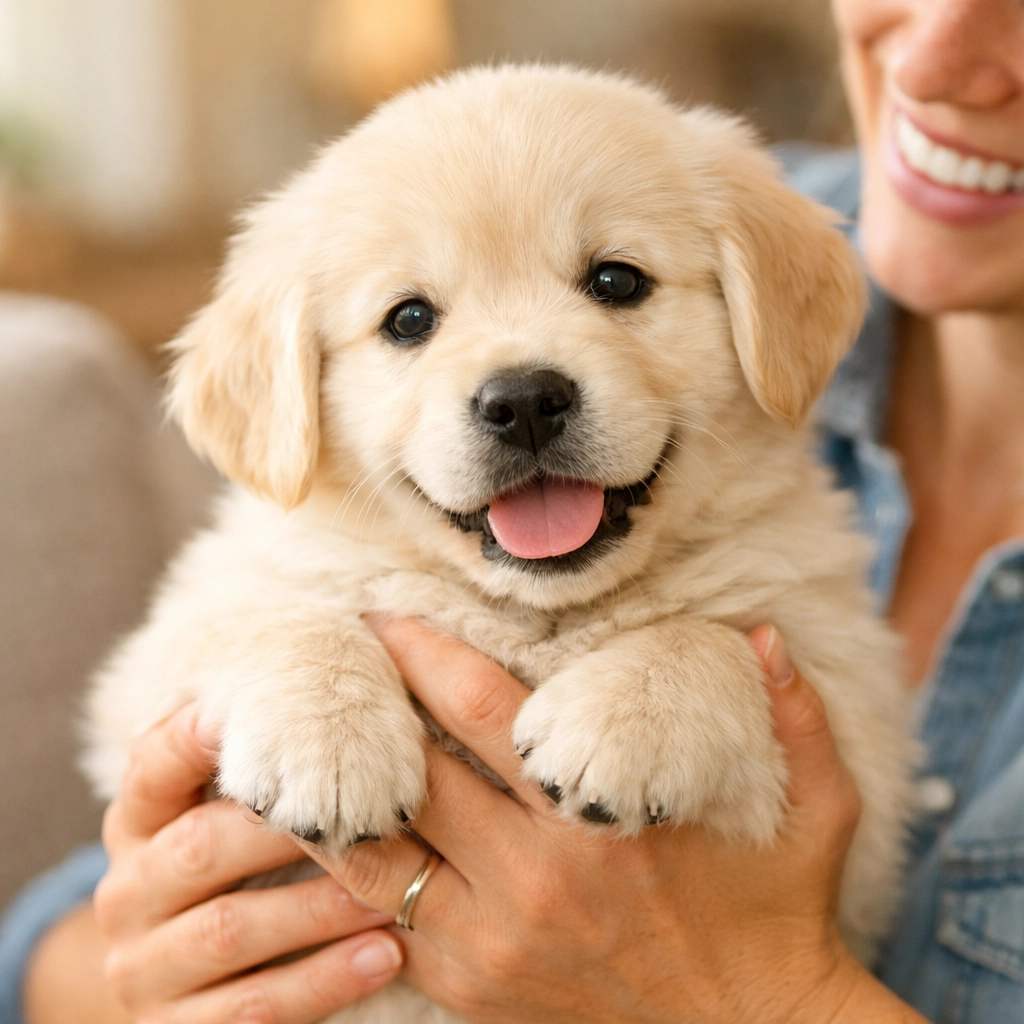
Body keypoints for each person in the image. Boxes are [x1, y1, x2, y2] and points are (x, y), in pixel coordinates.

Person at [6, 0, 1024, 1020]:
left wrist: (703, 680)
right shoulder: (290, 575)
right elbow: (105, 851)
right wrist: (295, 675)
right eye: (409, 318)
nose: (521, 386)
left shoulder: (727, 216)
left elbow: (850, 839)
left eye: (615, 281)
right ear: (291, 388)